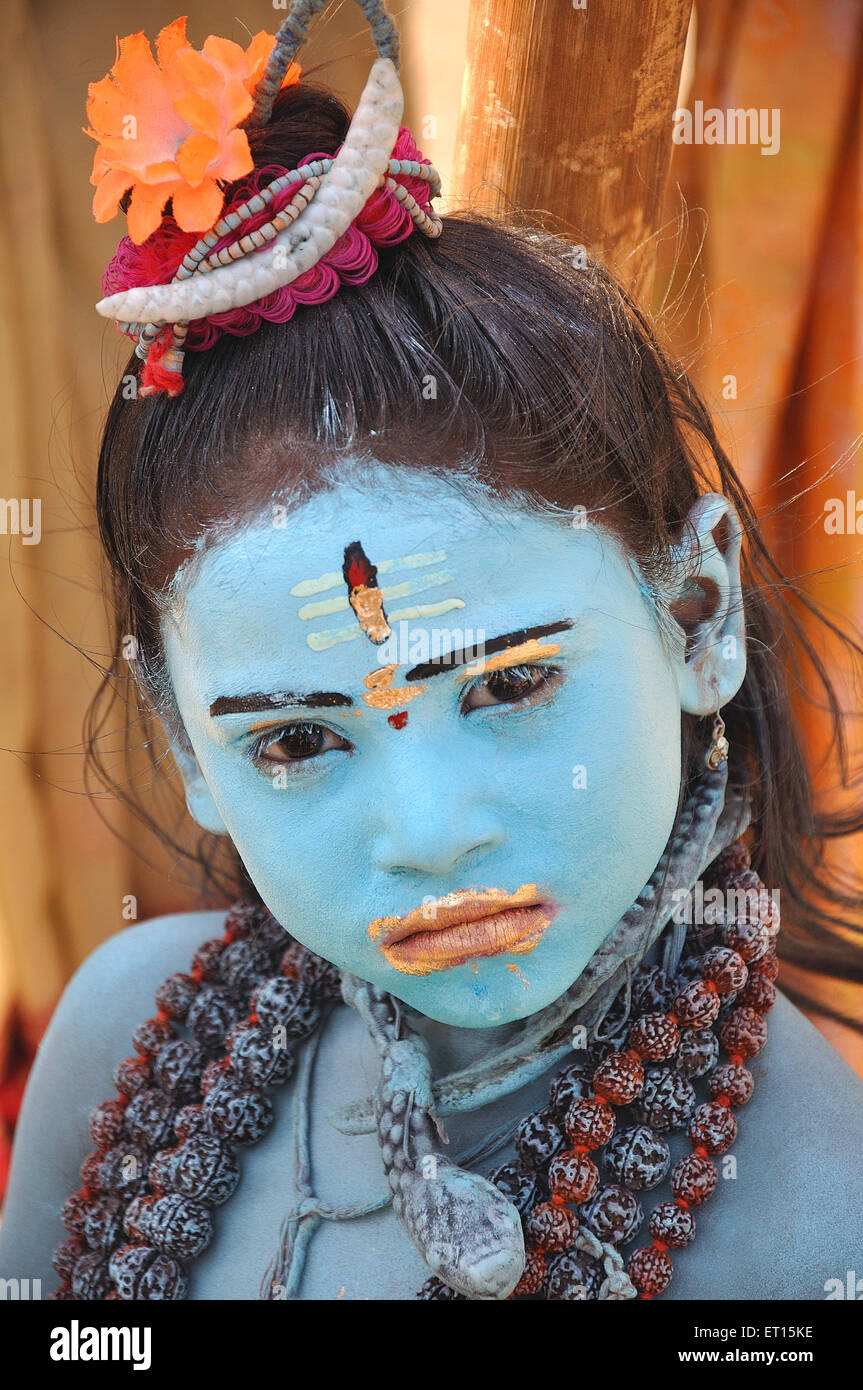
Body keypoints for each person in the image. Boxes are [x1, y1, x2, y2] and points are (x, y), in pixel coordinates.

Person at [1, 0, 862, 1301]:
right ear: (184, 746)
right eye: (294, 739)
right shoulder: (120, 1035)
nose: (429, 830)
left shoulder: (815, 1220)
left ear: (697, 616)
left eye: (512, 682)